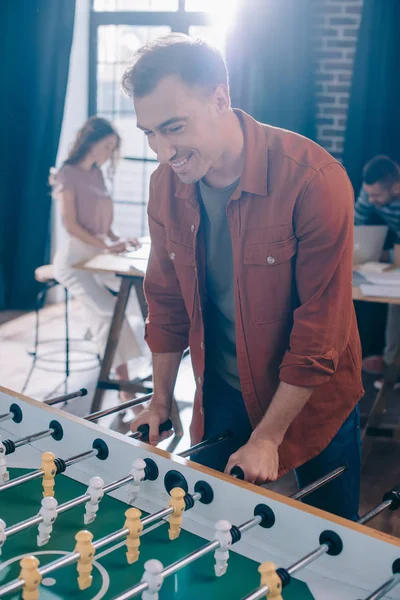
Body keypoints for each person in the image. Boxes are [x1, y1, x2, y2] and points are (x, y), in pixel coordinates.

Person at [125, 34, 363, 520]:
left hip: (314, 399)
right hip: (223, 393)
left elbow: (322, 331)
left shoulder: (315, 179)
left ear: (219, 99)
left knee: (333, 549)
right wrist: (161, 400)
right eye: (149, 132)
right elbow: (166, 303)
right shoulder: (163, 186)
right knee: (206, 532)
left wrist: (269, 437)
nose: (163, 151)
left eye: (173, 127)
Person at [51, 116, 144, 402]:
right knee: (108, 314)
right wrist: (107, 246)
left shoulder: (97, 174)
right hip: (74, 260)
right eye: (107, 146)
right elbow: (71, 225)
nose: (109, 154)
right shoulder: (68, 174)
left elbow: (104, 224)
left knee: (126, 304)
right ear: (91, 143)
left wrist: (117, 241)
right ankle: (125, 384)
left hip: (98, 255)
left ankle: (124, 382)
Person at [354, 156, 400, 389]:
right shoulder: (369, 191)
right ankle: (392, 363)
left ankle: (394, 367)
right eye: (368, 195)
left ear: (395, 187)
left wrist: (385, 256)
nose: (371, 200)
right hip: (395, 253)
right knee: (395, 303)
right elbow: (354, 221)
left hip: (395, 252)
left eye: (376, 196)